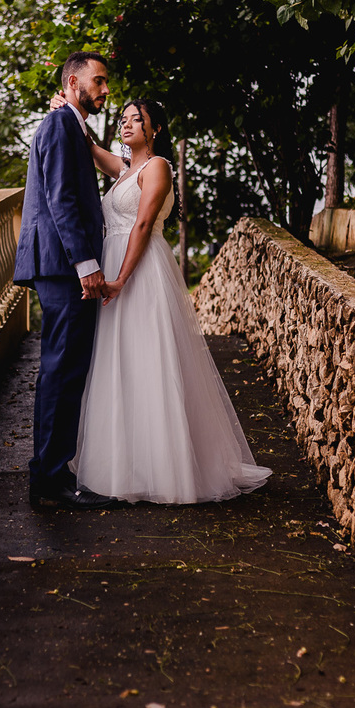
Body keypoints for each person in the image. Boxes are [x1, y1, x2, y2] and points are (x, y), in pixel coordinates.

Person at [57, 95, 272, 503]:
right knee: (117, 363)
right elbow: (87, 146)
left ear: (155, 129)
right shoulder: (125, 170)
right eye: (123, 119)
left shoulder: (158, 167)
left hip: (141, 270)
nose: (127, 125)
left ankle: (167, 467)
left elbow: (141, 225)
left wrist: (120, 279)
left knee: (149, 360)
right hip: (115, 262)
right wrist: (67, 106)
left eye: (137, 120)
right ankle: (126, 463)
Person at [12, 52, 119, 510]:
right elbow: (61, 199)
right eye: (98, 81)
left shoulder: (69, 123)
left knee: (66, 366)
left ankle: (52, 474)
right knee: (61, 368)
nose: (105, 90)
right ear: (73, 82)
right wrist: (86, 264)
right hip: (62, 265)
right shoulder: (58, 126)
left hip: (60, 263)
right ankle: (49, 480)